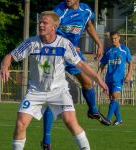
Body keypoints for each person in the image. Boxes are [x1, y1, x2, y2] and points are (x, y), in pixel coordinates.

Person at [0, 11, 109, 150]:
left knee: (70, 122)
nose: (41, 25)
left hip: (59, 91)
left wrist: (98, 79)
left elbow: (81, 64)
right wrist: (5, 65)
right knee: (21, 123)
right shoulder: (31, 42)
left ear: (54, 27)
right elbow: (11, 56)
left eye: (45, 23)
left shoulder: (64, 44)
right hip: (35, 91)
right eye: (40, 22)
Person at [41, 0, 110, 149]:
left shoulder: (86, 11)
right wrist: (67, 45)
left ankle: (93, 111)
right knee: (52, 97)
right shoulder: (59, 11)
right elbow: (48, 31)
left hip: (73, 54)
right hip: (56, 54)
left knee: (87, 82)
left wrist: (99, 43)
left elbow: (89, 24)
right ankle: (46, 141)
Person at [98, 31, 133, 125]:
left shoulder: (125, 50)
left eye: (115, 38)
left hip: (118, 79)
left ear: (119, 38)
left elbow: (130, 62)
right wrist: (97, 76)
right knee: (113, 99)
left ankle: (107, 119)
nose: (113, 40)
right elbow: (102, 64)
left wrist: (129, 74)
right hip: (108, 78)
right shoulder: (108, 50)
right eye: (112, 38)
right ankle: (119, 119)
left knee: (114, 97)